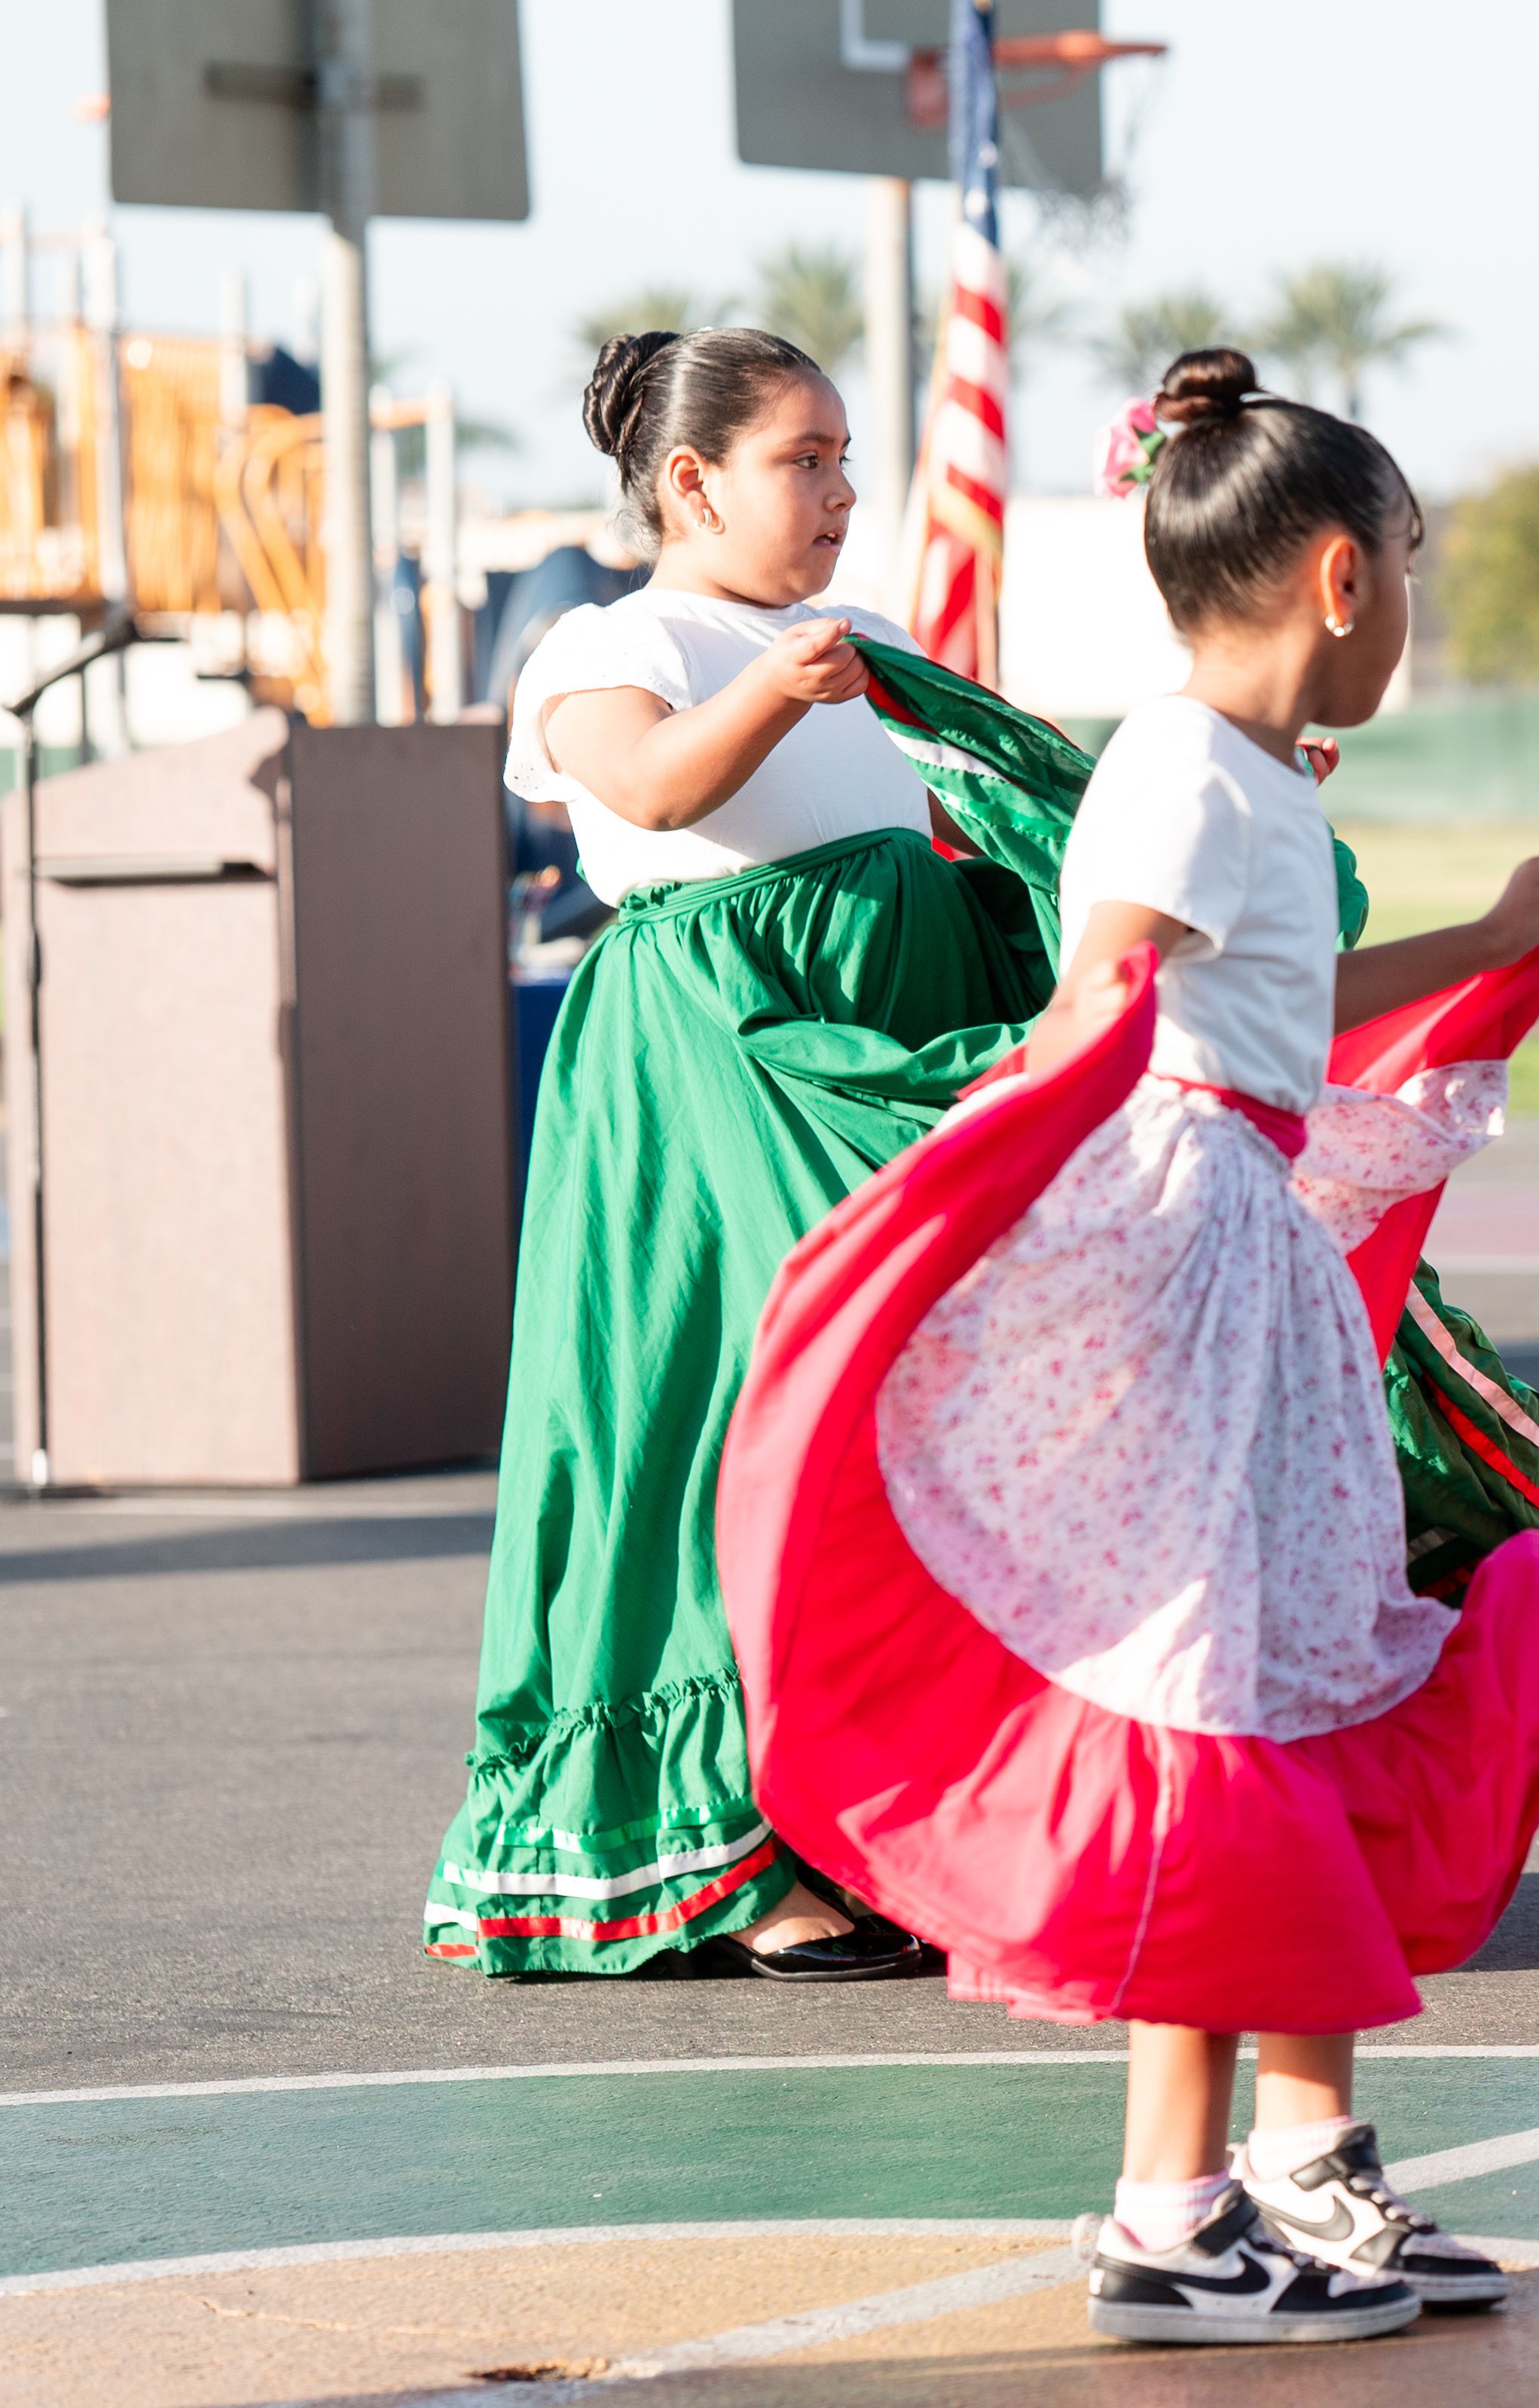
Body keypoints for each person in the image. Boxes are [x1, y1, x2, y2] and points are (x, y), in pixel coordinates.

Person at [717, 351, 1539, 2348]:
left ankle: (1309, 2171)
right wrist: (1068, 1077)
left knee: (1297, 1694)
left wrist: (1493, 937)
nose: (1412, 607)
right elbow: (1112, 992)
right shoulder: (1174, 765)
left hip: (1252, 1259)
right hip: (1176, 1259)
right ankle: (1169, 2211)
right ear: (1341, 580)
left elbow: (1285, 993)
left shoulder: (1254, 781)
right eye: (1408, 567)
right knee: (1208, 1711)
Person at [429, 328, 1065, 1979]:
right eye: (806, 457)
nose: (844, 491)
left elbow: (965, 814)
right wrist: (780, 685)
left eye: (850, 455)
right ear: (692, 479)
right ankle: (735, 1851)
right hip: (715, 1070)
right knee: (732, 1422)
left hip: (882, 1055)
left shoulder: (855, 639)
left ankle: (898, 1814)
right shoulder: (605, 640)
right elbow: (642, 781)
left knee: (912, 1418)